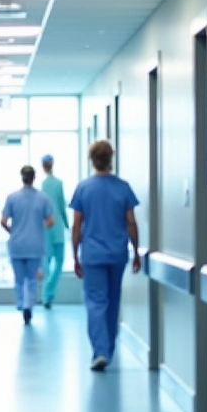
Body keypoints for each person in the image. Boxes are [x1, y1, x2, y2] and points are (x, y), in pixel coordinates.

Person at [69, 140, 142, 371]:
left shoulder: (83, 188)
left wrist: (75, 255)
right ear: (111, 158)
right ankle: (108, 348)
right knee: (112, 301)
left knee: (95, 301)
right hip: (117, 253)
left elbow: (77, 225)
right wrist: (137, 251)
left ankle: (100, 350)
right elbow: (131, 222)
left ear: (92, 160)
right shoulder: (123, 187)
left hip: (92, 254)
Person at [1, 165, 54, 325]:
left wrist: (13, 231)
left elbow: (3, 221)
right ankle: (28, 307)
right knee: (31, 279)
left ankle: (20, 303)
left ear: (22, 177)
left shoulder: (12, 198)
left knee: (19, 279)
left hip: (17, 244)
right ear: (34, 178)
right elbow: (51, 221)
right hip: (35, 244)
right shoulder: (43, 198)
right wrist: (38, 228)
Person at [39, 154, 70, 308]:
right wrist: (67, 224)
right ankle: (48, 294)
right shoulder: (58, 184)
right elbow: (62, 206)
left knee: (47, 263)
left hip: (46, 228)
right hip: (57, 228)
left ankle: (46, 295)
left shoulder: (42, 186)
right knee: (59, 262)